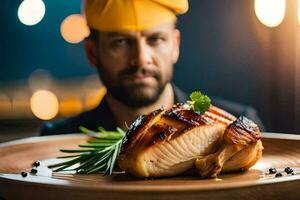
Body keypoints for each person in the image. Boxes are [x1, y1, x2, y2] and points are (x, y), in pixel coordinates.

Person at [40, 0, 264, 135]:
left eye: (155, 39)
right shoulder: (57, 140)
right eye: (120, 42)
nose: (140, 59)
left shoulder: (237, 126)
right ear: (92, 52)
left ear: (175, 45)